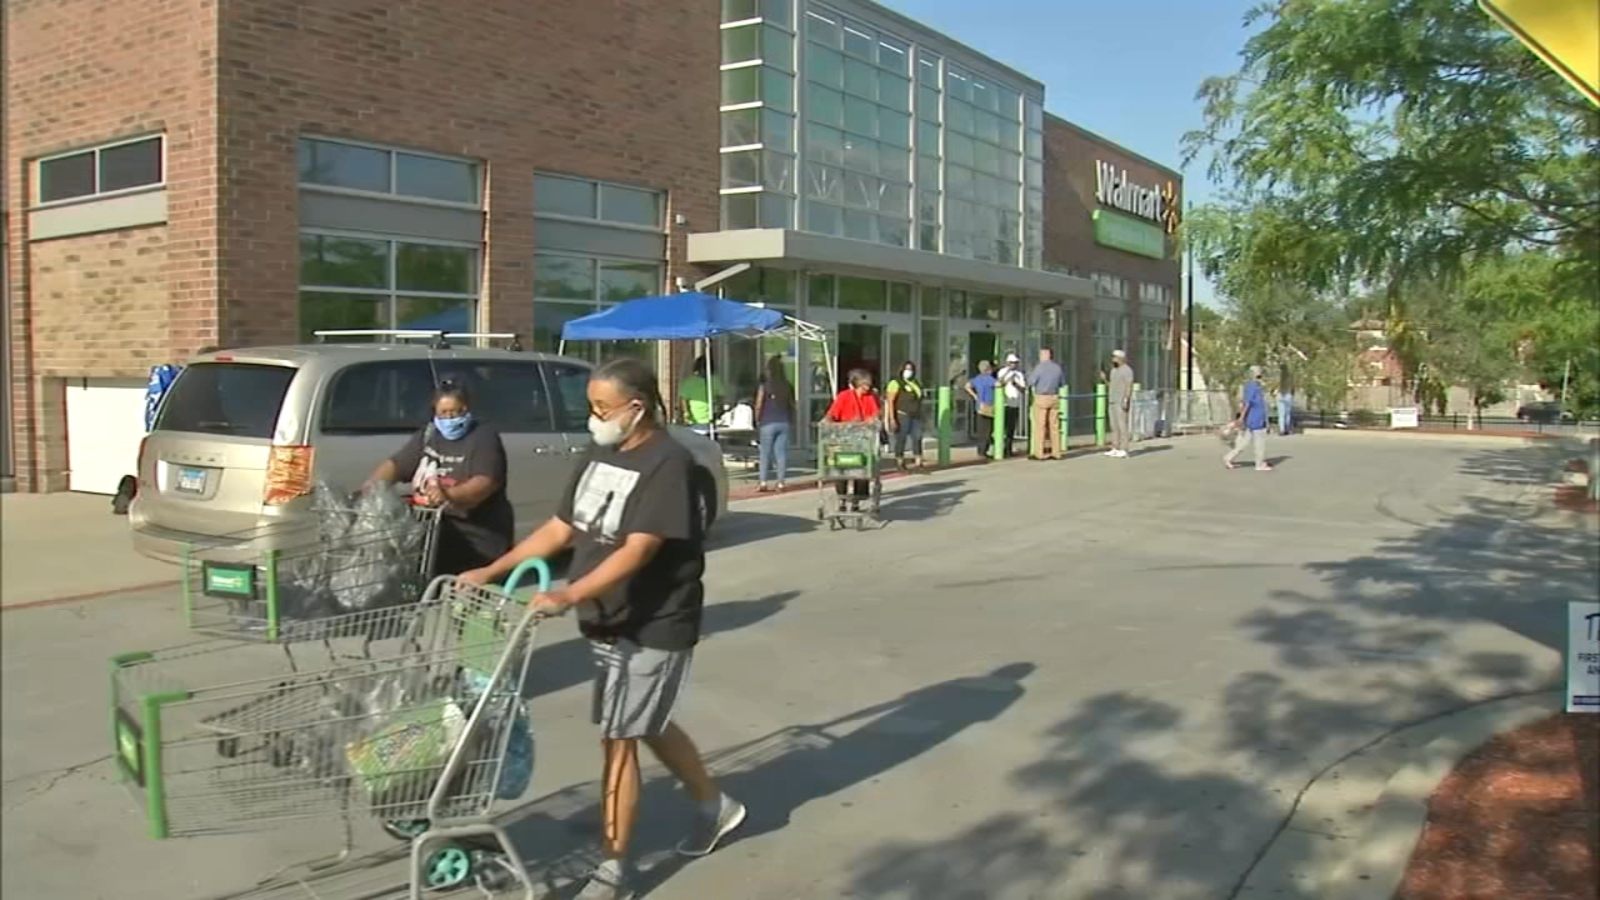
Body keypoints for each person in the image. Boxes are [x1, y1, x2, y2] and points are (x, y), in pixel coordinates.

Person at [460, 358, 744, 900]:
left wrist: (570, 592)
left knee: (620, 739)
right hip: (607, 617)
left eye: (603, 408)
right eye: (590, 407)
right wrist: (493, 572)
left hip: (653, 620)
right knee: (646, 723)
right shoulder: (602, 450)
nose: (595, 418)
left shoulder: (669, 465)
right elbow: (562, 527)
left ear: (637, 408)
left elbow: (640, 549)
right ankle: (716, 806)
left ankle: (614, 870)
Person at [365, 382, 515, 577]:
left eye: (455, 412)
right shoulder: (429, 435)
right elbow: (397, 465)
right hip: (437, 535)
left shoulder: (483, 437)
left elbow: (484, 483)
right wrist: (371, 488)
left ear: (466, 409)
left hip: (477, 538)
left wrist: (449, 495)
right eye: (443, 413)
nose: (449, 418)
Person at [824, 369, 881, 509]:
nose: (866, 389)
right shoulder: (844, 396)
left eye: (868, 386)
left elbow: (875, 414)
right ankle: (842, 498)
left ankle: (857, 499)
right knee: (841, 468)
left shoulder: (869, 398)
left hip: (862, 440)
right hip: (844, 438)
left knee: (861, 469)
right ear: (855, 385)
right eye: (864, 386)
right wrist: (827, 422)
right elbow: (831, 415)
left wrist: (871, 420)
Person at [753, 354, 792, 492]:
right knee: (780, 454)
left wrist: (757, 419)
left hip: (767, 422)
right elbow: (791, 405)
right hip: (784, 421)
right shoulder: (787, 385)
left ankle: (763, 482)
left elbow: (758, 404)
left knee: (765, 453)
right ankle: (781, 483)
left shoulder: (765, 386)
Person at [1225, 365, 1273, 471]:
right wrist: (1242, 417)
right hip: (1255, 419)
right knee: (1259, 442)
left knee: (1244, 441)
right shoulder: (1253, 386)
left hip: (1255, 418)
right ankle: (1259, 464)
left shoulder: (1253, 385)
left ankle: (1229, 457)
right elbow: (1247, 403)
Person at [884, 360, 926, 471]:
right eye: (906, 369)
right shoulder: (895, 383)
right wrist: (892, 418)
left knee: (917, 438)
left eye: (911, 369)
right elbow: (890, 401)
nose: (909, 372)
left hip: (916, 415)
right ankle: (900, 462)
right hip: (902, 414)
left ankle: (918, 463)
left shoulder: (915, 382)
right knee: (901, 439)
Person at [1026, 348, 1065, 460]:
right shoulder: (1057, 368)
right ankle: (1056, 452)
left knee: (1040, 425)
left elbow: (1031, 382)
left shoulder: (1039, 368)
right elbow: (1062, 383)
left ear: (1043, 356)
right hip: (1054, 397)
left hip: (1041, 397)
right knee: (1055, 426)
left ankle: (1039, 453)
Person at [995, 353, 1027, 458]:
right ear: (1007, 363)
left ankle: (1008, 449)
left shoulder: (1019, 374)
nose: (1014, 365)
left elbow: (1023, 389)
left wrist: (1015, 384)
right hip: (1004, 403)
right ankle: (999, 448)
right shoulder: (1002, 372)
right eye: (1012, 363)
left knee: (1010, 428)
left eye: (1016, 363)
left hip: (1015, 404)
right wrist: (1007, 378)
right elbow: (999, 384)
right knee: (1001, 428)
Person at [1104, 349, 1135, 459]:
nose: (1113, 359)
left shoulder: (1127, 370)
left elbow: (1129, 385)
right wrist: (1105, 380)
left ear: (1121, 358)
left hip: (1120, 401)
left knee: (1122, 426)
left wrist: (1126, 400)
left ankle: (1124, 449)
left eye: (1115, 357)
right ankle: (1115, 448)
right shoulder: (1113, 370)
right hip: (1112, 400)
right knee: (1114, 426)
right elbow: (1111, 385)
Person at [965, 361, 998, 461]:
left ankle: (981, 451)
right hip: (988, 406)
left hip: (979, 406)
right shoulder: (989, 379)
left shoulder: (977, 379)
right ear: (988, 369)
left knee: (981, 430)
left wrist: (975, 396)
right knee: (987, 431)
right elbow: (998, 384)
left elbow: (967, 386)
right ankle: (983, 451)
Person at [678, 356, 721, 427]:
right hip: (693, 420)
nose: (703, 371)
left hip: (711, 420)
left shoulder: (714, 381)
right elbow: (684, 400)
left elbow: (720, 397)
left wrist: (717, 410)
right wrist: (686, 413)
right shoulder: (689, 383)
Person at [1276, 365, 1294, 436]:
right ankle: (1286, 429)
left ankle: (1282, 430)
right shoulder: (1290, 376)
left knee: (1281, 414)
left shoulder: (1279, 376)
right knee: (1287, 414)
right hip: (1288, 394)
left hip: (1280, 394)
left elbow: (1275, 385)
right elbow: (1293, 386)